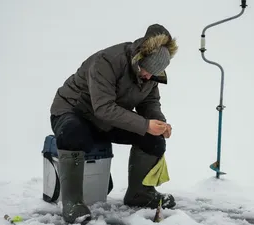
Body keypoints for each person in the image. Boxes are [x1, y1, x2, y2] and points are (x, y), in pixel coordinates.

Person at [49, 23, 178, 224]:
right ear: (139, 59)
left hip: (108, 120)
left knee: (154, 138)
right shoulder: (108, 61)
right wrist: (145, 124)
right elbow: (103, 108)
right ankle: (73, 202)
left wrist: (159, 123)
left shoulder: (151, 75)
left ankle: (140, 193)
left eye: (154, 74)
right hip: (74, 111)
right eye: (147, 71)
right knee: (73, 134)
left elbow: (149, 102)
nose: (148, 77)